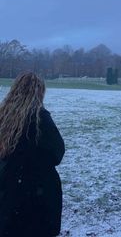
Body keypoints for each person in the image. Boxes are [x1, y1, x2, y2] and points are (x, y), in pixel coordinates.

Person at [0, 72, 65, 237]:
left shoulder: (4, 115)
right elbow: (57, 152)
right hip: (37, 191)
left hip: (8, 188)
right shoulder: (39, 117)